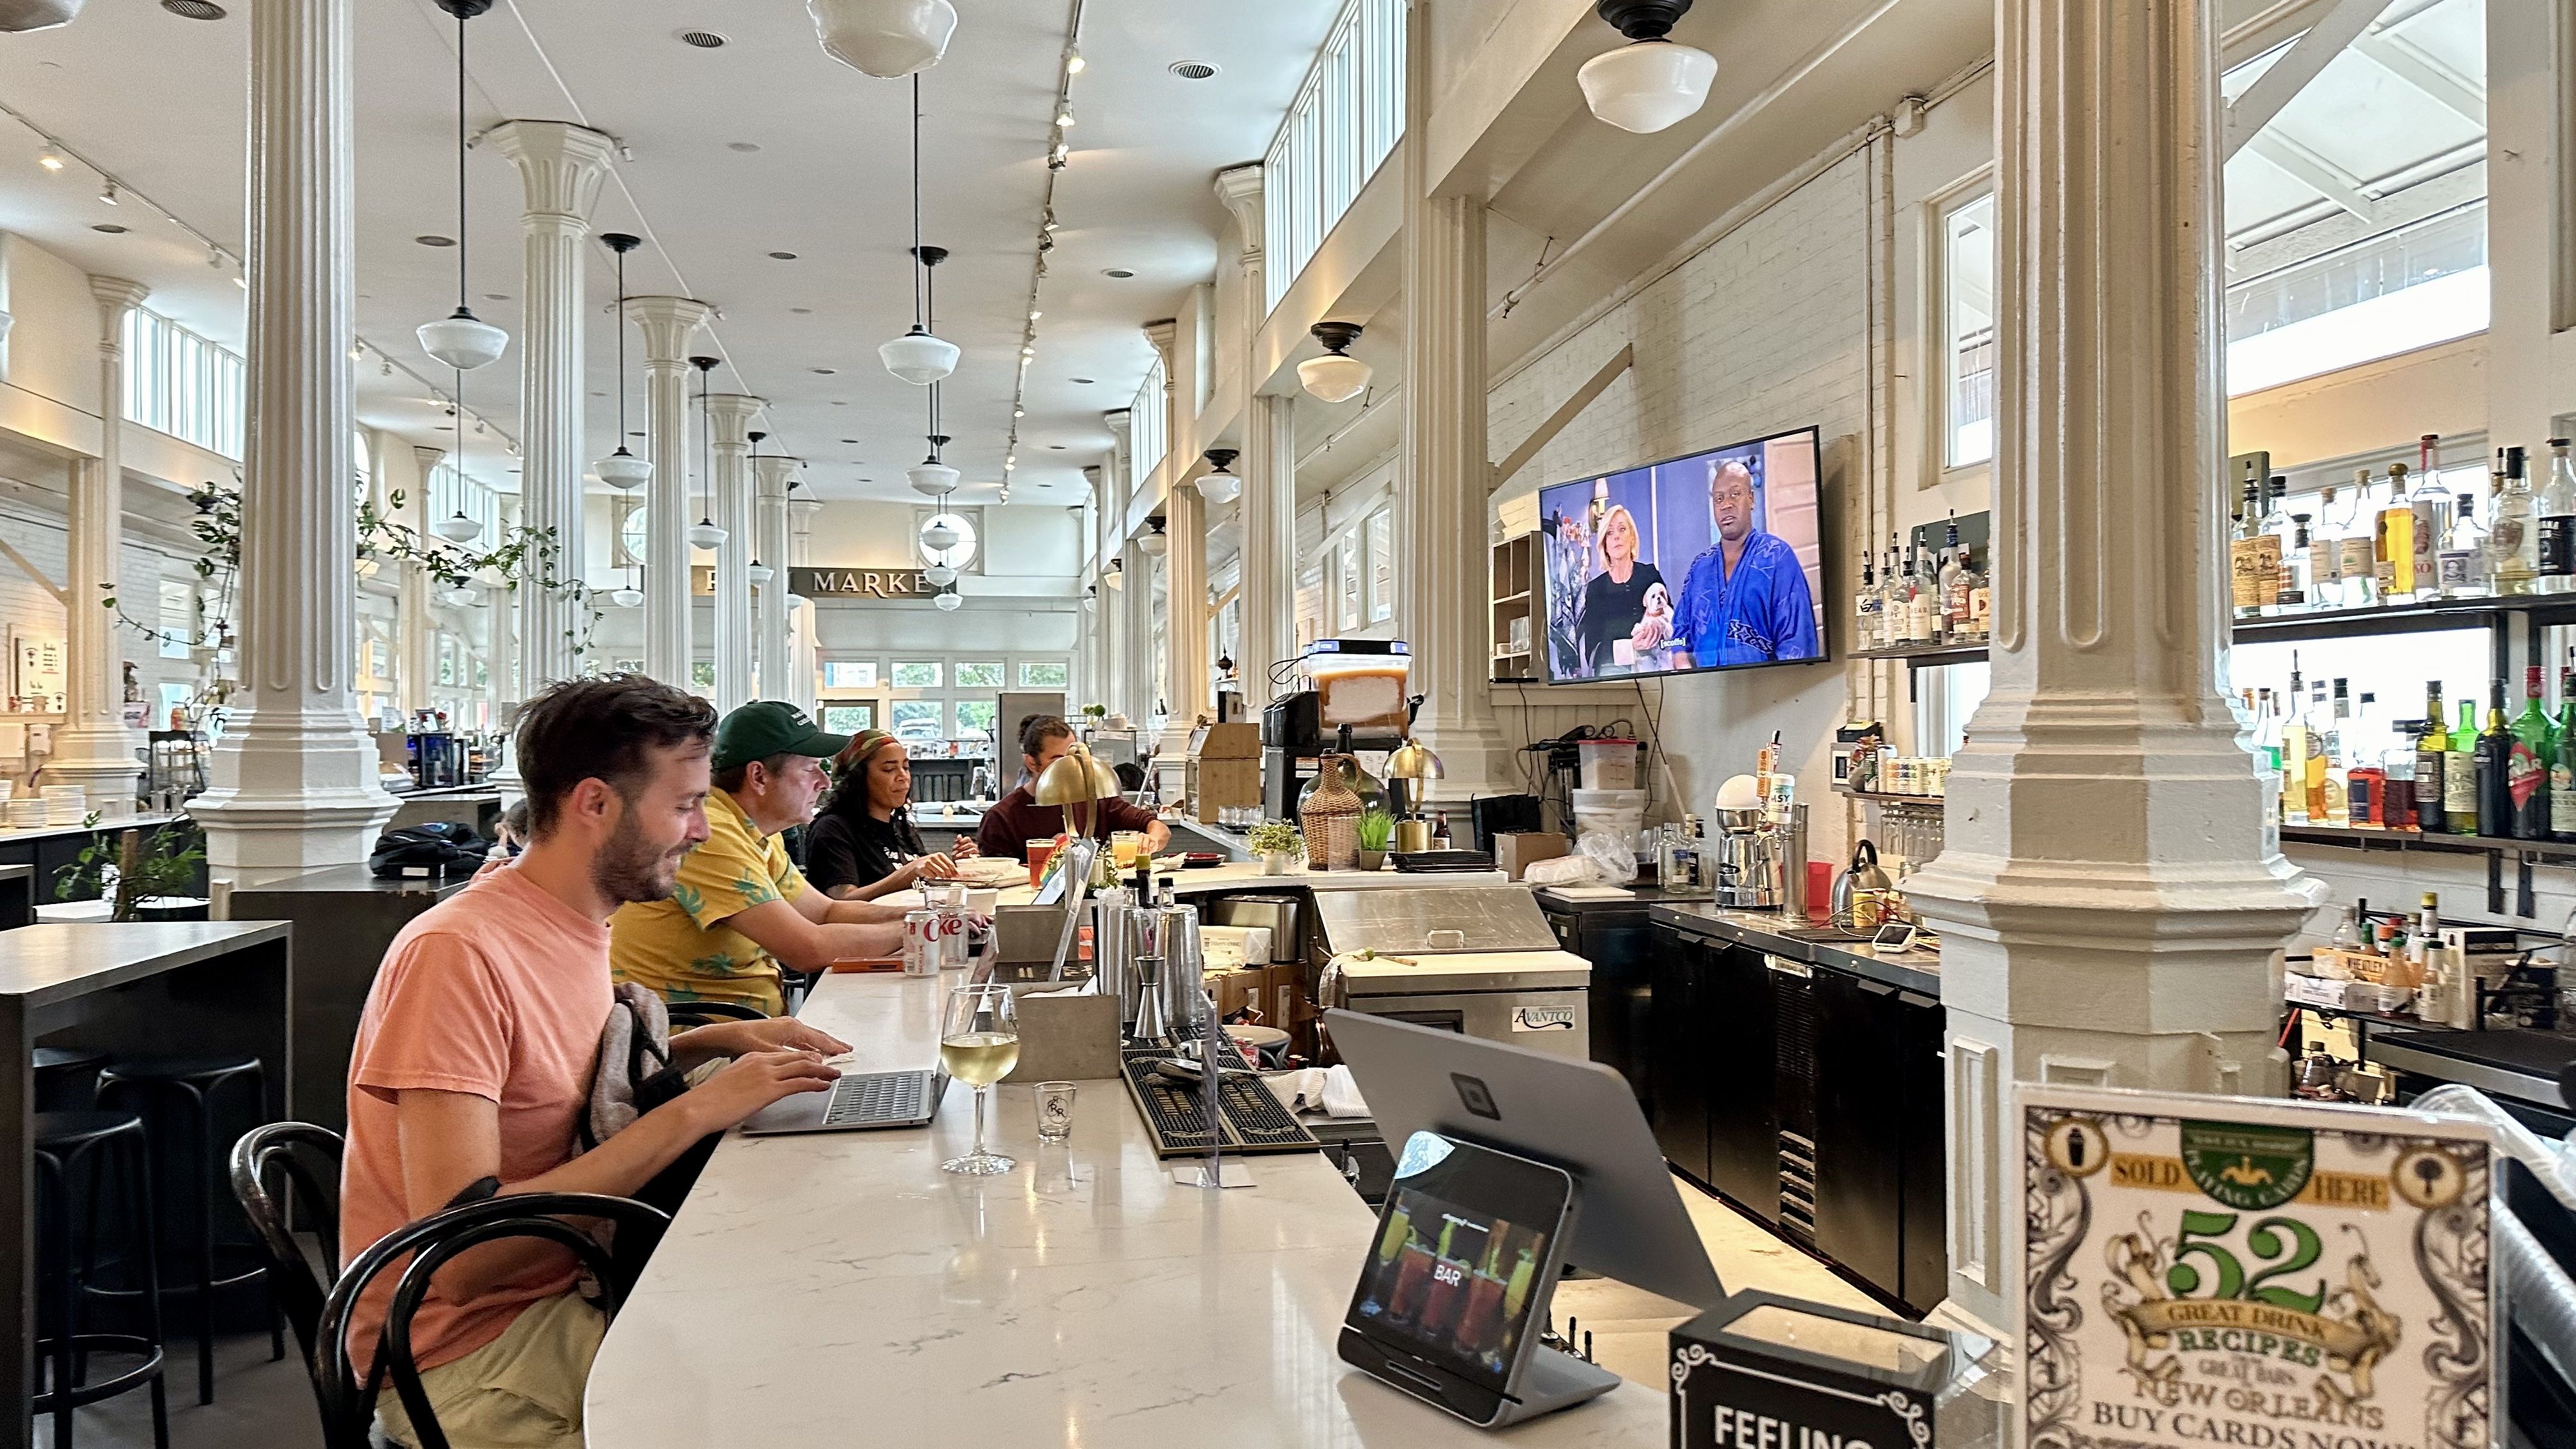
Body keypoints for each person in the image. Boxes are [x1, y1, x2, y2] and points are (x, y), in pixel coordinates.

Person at [340, 674, 847, 1449]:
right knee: (783, 1408)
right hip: (466, 1357)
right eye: (683, 806)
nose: (704, 831)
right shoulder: (458, 953)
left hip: (570, 1287)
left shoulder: (577, 918)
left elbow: (550, 1084)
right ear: (595, 805)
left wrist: (711, 1042)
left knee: (808, 1329)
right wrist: (695, 1109)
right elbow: (463, 1253)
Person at [611, 700, 910, 1015]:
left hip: (752, 1030)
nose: (824, 783)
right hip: (700, 1043)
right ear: (759, 777)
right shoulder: (712, 833)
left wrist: (932, 915)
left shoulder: (758, 830)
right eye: (810, 769)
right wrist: (924, 930)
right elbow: (807, 948)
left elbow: (826, 912)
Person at [1669, 457, 1821, 668]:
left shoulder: (1777, 557)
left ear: (1751, 499)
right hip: (1707, 694)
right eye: (1719, 499)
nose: (1726, 505)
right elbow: (1680, 635)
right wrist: (1683, 663)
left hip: (1767, 694)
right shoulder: (1700, 568)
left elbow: (1798, 644)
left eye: (1735, 494)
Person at [805, 728, 979, 900]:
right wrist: (910, 871)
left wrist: (951, 867)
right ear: (858, 777)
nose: (903, 776)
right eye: (889, 769)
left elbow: (919, 885)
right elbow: (842, 900)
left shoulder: (900, 827)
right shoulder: (832, 829)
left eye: (906, 767)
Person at [974, 714, 1169, 861]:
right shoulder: (1001, 818)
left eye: (1075, 757)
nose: (1069, 766)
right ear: (1032, 762)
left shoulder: (1097, 801)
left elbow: (1160, 829)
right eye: (1058, 760)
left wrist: (1150, 841)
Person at [1575, 503, 1668, 675]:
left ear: (1632, 537)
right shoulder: (1596, 589)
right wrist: (1630, 647)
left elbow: (1672, 624)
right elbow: (1593, 653)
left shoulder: (1649, 574)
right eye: (1610, 533)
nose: (1616, 537)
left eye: (1622, 529)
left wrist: (1659, 633)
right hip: (1614, 679)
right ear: (1605, 544)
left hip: (1655, 672)